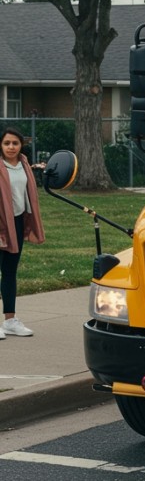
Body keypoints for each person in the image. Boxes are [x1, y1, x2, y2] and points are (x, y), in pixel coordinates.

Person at [0, 127, 45, 339]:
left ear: (21, 146)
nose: (11, 147)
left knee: (10, 271)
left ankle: (10, 320)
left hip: (15, 222)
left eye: (15, 143)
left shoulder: (24, 165)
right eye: (7, 143)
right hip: (0, 224)